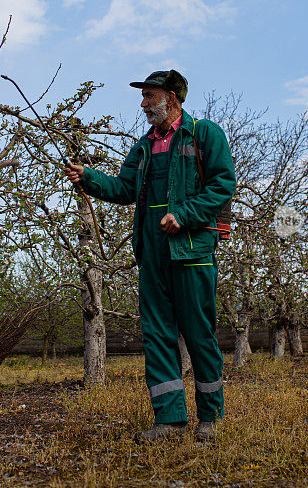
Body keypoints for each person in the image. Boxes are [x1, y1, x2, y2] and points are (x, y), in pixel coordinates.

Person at [64, 70, 236, 442]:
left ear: (171, 97)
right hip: (152, 250)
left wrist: (185, 215)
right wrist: (89, 177)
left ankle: (211, 415)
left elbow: (223, 184)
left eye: (149, 96)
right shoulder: (143, 146)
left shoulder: (204, 134)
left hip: (192, 249)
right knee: (157, 335)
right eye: (143, 97)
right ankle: (170, 420)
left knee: (198, 333)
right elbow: (125, 188)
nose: (143, 104)